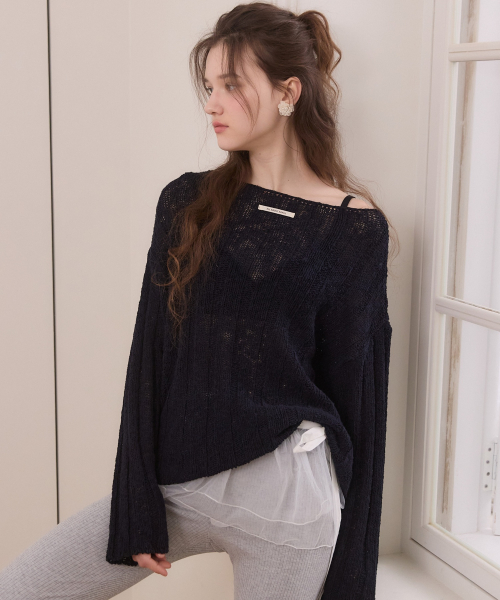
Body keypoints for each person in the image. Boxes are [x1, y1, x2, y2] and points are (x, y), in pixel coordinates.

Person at [0, 2, 396, 599]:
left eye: (231, 85)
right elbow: (150, 356)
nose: (211, 103)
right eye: (208, 87)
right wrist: (136, 504)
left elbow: (360, 400)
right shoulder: (187, 202)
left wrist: (352, 580)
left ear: (288, 92)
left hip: (289, 504)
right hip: (181, 485)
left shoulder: (354, 228)